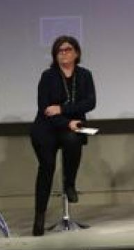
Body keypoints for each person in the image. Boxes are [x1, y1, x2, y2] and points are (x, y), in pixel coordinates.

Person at [30, 35, 97, 236]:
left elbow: (90, 103)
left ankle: (70, 183)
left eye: (68, 49)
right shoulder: (48, 76)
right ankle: (39, 217)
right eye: (60, 51)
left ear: (76, 53)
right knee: (47, 167)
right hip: (47, 128)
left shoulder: (85, 75)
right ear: (55, 55)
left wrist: (62, 109)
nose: (64, 53)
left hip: (71, 128)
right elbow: (45, 109)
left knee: (72, 140)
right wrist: (66, 121)